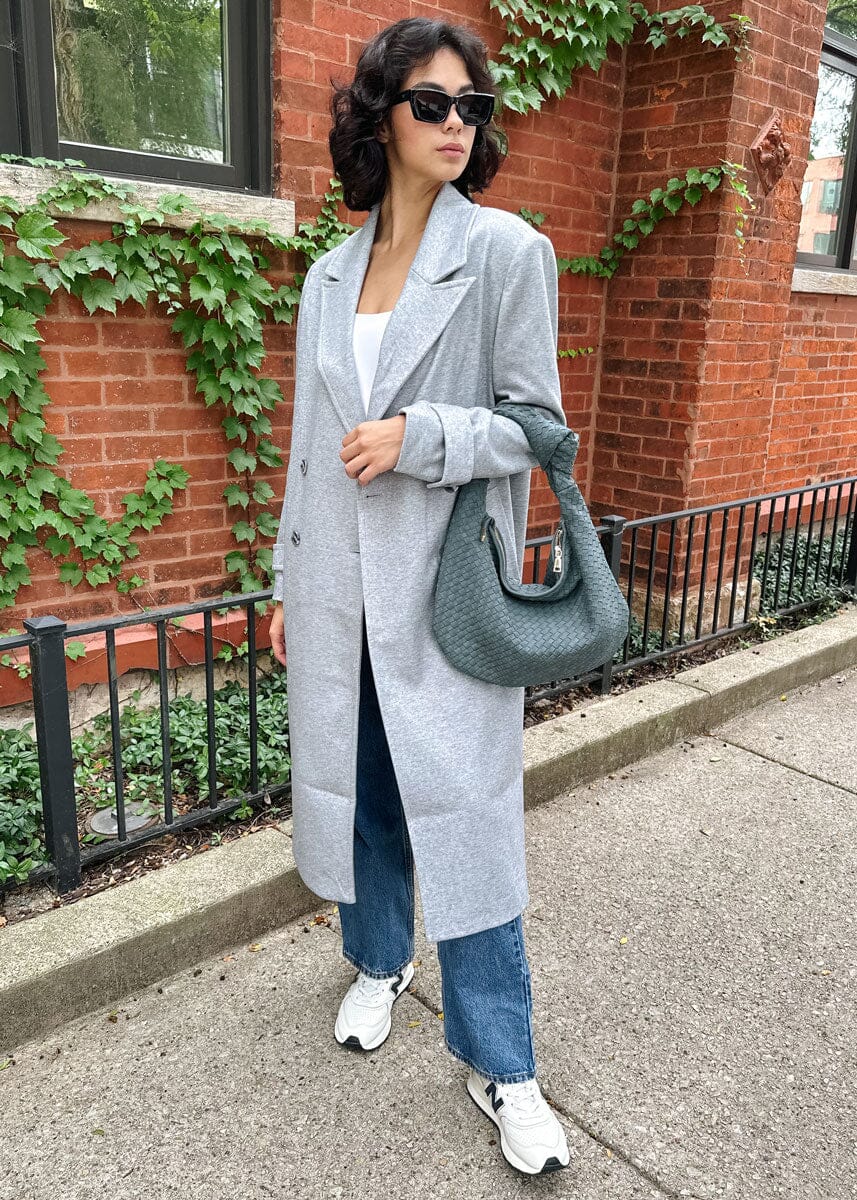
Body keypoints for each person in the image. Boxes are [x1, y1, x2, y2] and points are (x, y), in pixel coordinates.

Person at [268, 16, 572, 1176]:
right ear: (379, 116)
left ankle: (504, 1064)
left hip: (444, 591)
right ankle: (379, 959)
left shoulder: (504, 253)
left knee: (467, 818)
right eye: (430, 103)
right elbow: (307, 449)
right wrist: (288, 580)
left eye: (470, 106)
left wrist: (421, 437)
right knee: (362, 797)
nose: (456, 123)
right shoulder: (326, 277)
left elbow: (537, 429)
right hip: (338, 586)